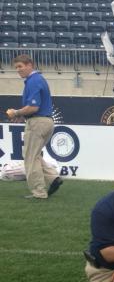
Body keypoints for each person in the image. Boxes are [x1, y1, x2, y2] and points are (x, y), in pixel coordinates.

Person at [6, 54, 62, 199]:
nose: (18, 70)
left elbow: (33, 107)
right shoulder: (38, 79)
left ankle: (39, 192)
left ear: (30, 65)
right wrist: (22, 115)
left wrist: (16, 112)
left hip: (37, 122)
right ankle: (53, 178)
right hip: (45, 121)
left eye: (20, 66)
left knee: (29, 157)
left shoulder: (33, 81)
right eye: (16, 67)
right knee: (33, 155)